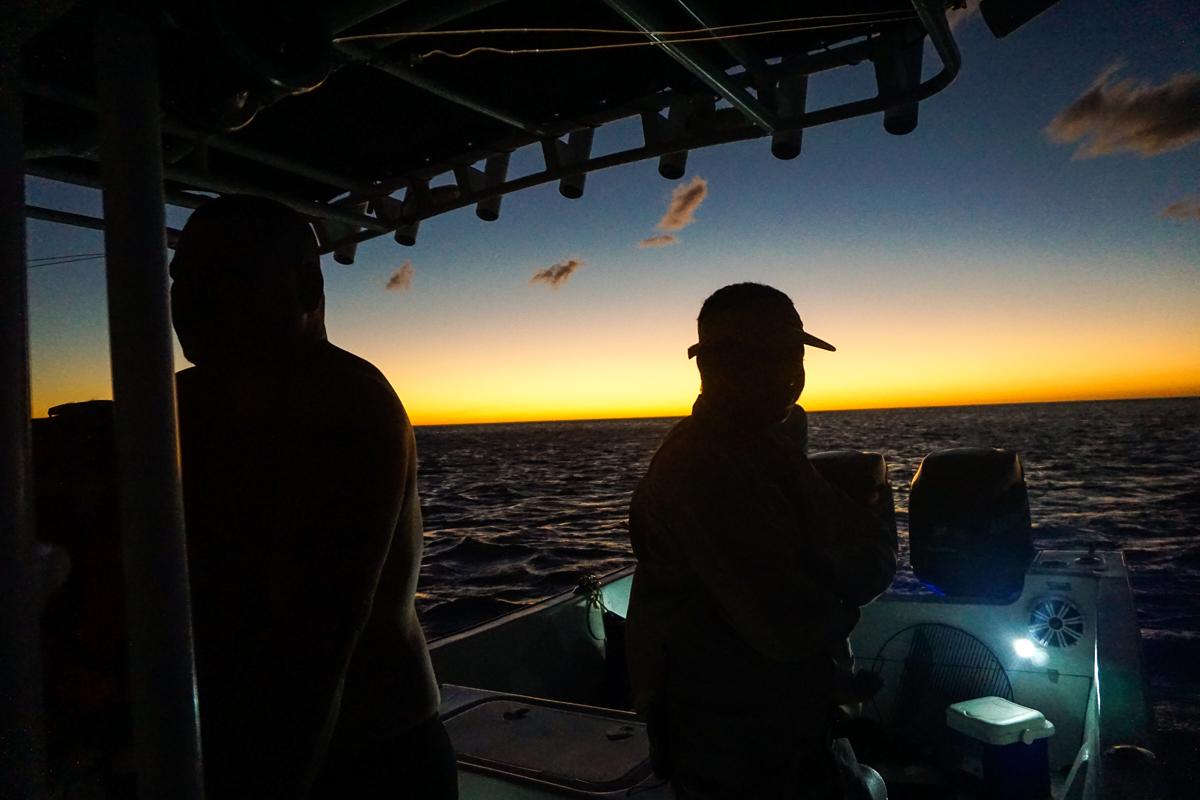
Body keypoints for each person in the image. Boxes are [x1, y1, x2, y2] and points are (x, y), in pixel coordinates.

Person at [170, 195, 456, 799]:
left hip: (368, 761)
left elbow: (316, 636)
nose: (190, 300)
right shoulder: (180, 402)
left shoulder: (344, 403)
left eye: (226, 276)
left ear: (307, 286)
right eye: (182, 278)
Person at [625, 283, 896, 799]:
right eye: (770, 357)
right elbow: (785, 626)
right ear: (714, 366)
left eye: (795, 355)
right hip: (734, 746)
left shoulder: (765, 448)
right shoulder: (702, 468)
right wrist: (856, 579)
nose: (791, 374)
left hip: (786, 723)